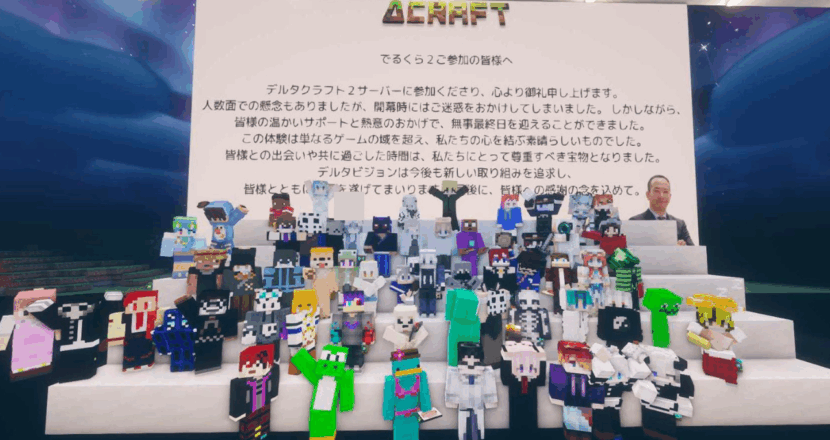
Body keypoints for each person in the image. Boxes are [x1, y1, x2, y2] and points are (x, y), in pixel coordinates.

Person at [629, 175, 694, 246]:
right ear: (648, 195)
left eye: (665, 192)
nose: (661, 196)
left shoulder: (679, 224)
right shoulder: (635, 222)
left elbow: (693, 250)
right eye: (656, 191)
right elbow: (625, 251)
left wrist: (683, 247)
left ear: (670, 196)